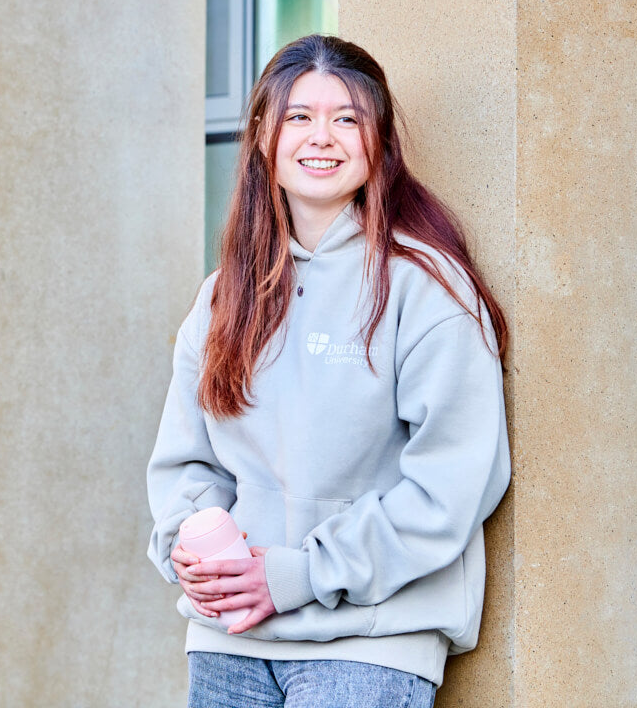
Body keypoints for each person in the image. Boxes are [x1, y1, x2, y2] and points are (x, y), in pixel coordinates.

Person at [145, 34, 510, 708]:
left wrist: (301, 572)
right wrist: (188, 549)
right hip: (230, 640)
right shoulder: (222, 297)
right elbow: (184, 464)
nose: (322, 137)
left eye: (347, 118)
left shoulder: (424, 290)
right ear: (260, 135)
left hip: (366, 642)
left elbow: (450, 486)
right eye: (298, 116)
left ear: (379, 145)